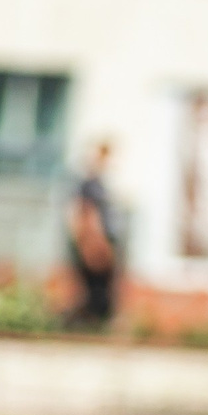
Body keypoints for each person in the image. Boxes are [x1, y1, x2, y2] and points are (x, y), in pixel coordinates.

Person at [66, 140, 121, 331]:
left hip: (101, 241)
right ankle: (89, 325)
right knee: (96, 290)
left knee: (102, 289)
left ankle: (93, 324)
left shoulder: (98, 185)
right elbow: (87, 215)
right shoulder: (90, 185)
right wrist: (93, 244)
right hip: (96, 242)